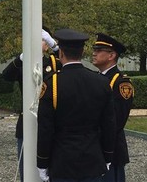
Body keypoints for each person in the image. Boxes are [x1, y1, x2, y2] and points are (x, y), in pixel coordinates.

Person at [37, 29, 116, 182]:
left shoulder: (52, 83)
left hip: (62, 162)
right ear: (81, 53)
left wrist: (42, 162)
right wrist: (107, 156)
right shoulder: (101, 82)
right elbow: (109, 125)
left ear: (61, 54)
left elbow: (45, 128)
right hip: (93, 159)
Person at [2, 27, 61, 182]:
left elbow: (70, 61)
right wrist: (21, 57)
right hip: (27, 120)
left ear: (46, 44)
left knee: (49, 170)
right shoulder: (23, 62)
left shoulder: (53, 62)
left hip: (49, 119)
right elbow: (6, 75)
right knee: (26, 169)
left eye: (41, 39)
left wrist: (55, 46)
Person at [92, 33, 134, 182]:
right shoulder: (97, 78)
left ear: (111, 55)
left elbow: (117, 120)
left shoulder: (121, 83)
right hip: (94, 148)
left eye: (99, 50)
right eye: (94, 49)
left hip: (111, 149)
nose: (94, 53)